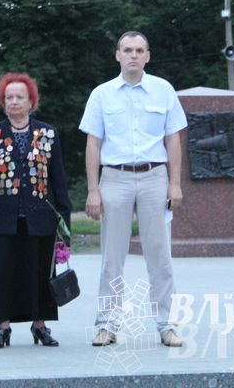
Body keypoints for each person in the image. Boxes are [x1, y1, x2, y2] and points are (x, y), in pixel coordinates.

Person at [80, 31, 187, 348]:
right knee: (112, 258)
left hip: (155, 177)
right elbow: (93, 143)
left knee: (160, 256)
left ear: (148, 56)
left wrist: (175, 183)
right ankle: (107, 323)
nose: (133, 55)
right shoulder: (101, 94)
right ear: (117, 55)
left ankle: (167, 323)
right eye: (127, 50)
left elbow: (173, 139)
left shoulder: (163, 90)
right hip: (115, 178)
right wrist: (93, 190)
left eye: (139, 50)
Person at [0, 72, 71, 348]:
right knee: (3, 272)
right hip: (4, 216)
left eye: (19, 97)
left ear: (31, 102)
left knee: (40, 271)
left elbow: (58, 178)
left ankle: (40, 325)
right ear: (3, 102)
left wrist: (64, 219)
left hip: (41, 215)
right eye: (9, 97)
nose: (14, 101)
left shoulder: (48, 133)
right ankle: (2, 327)